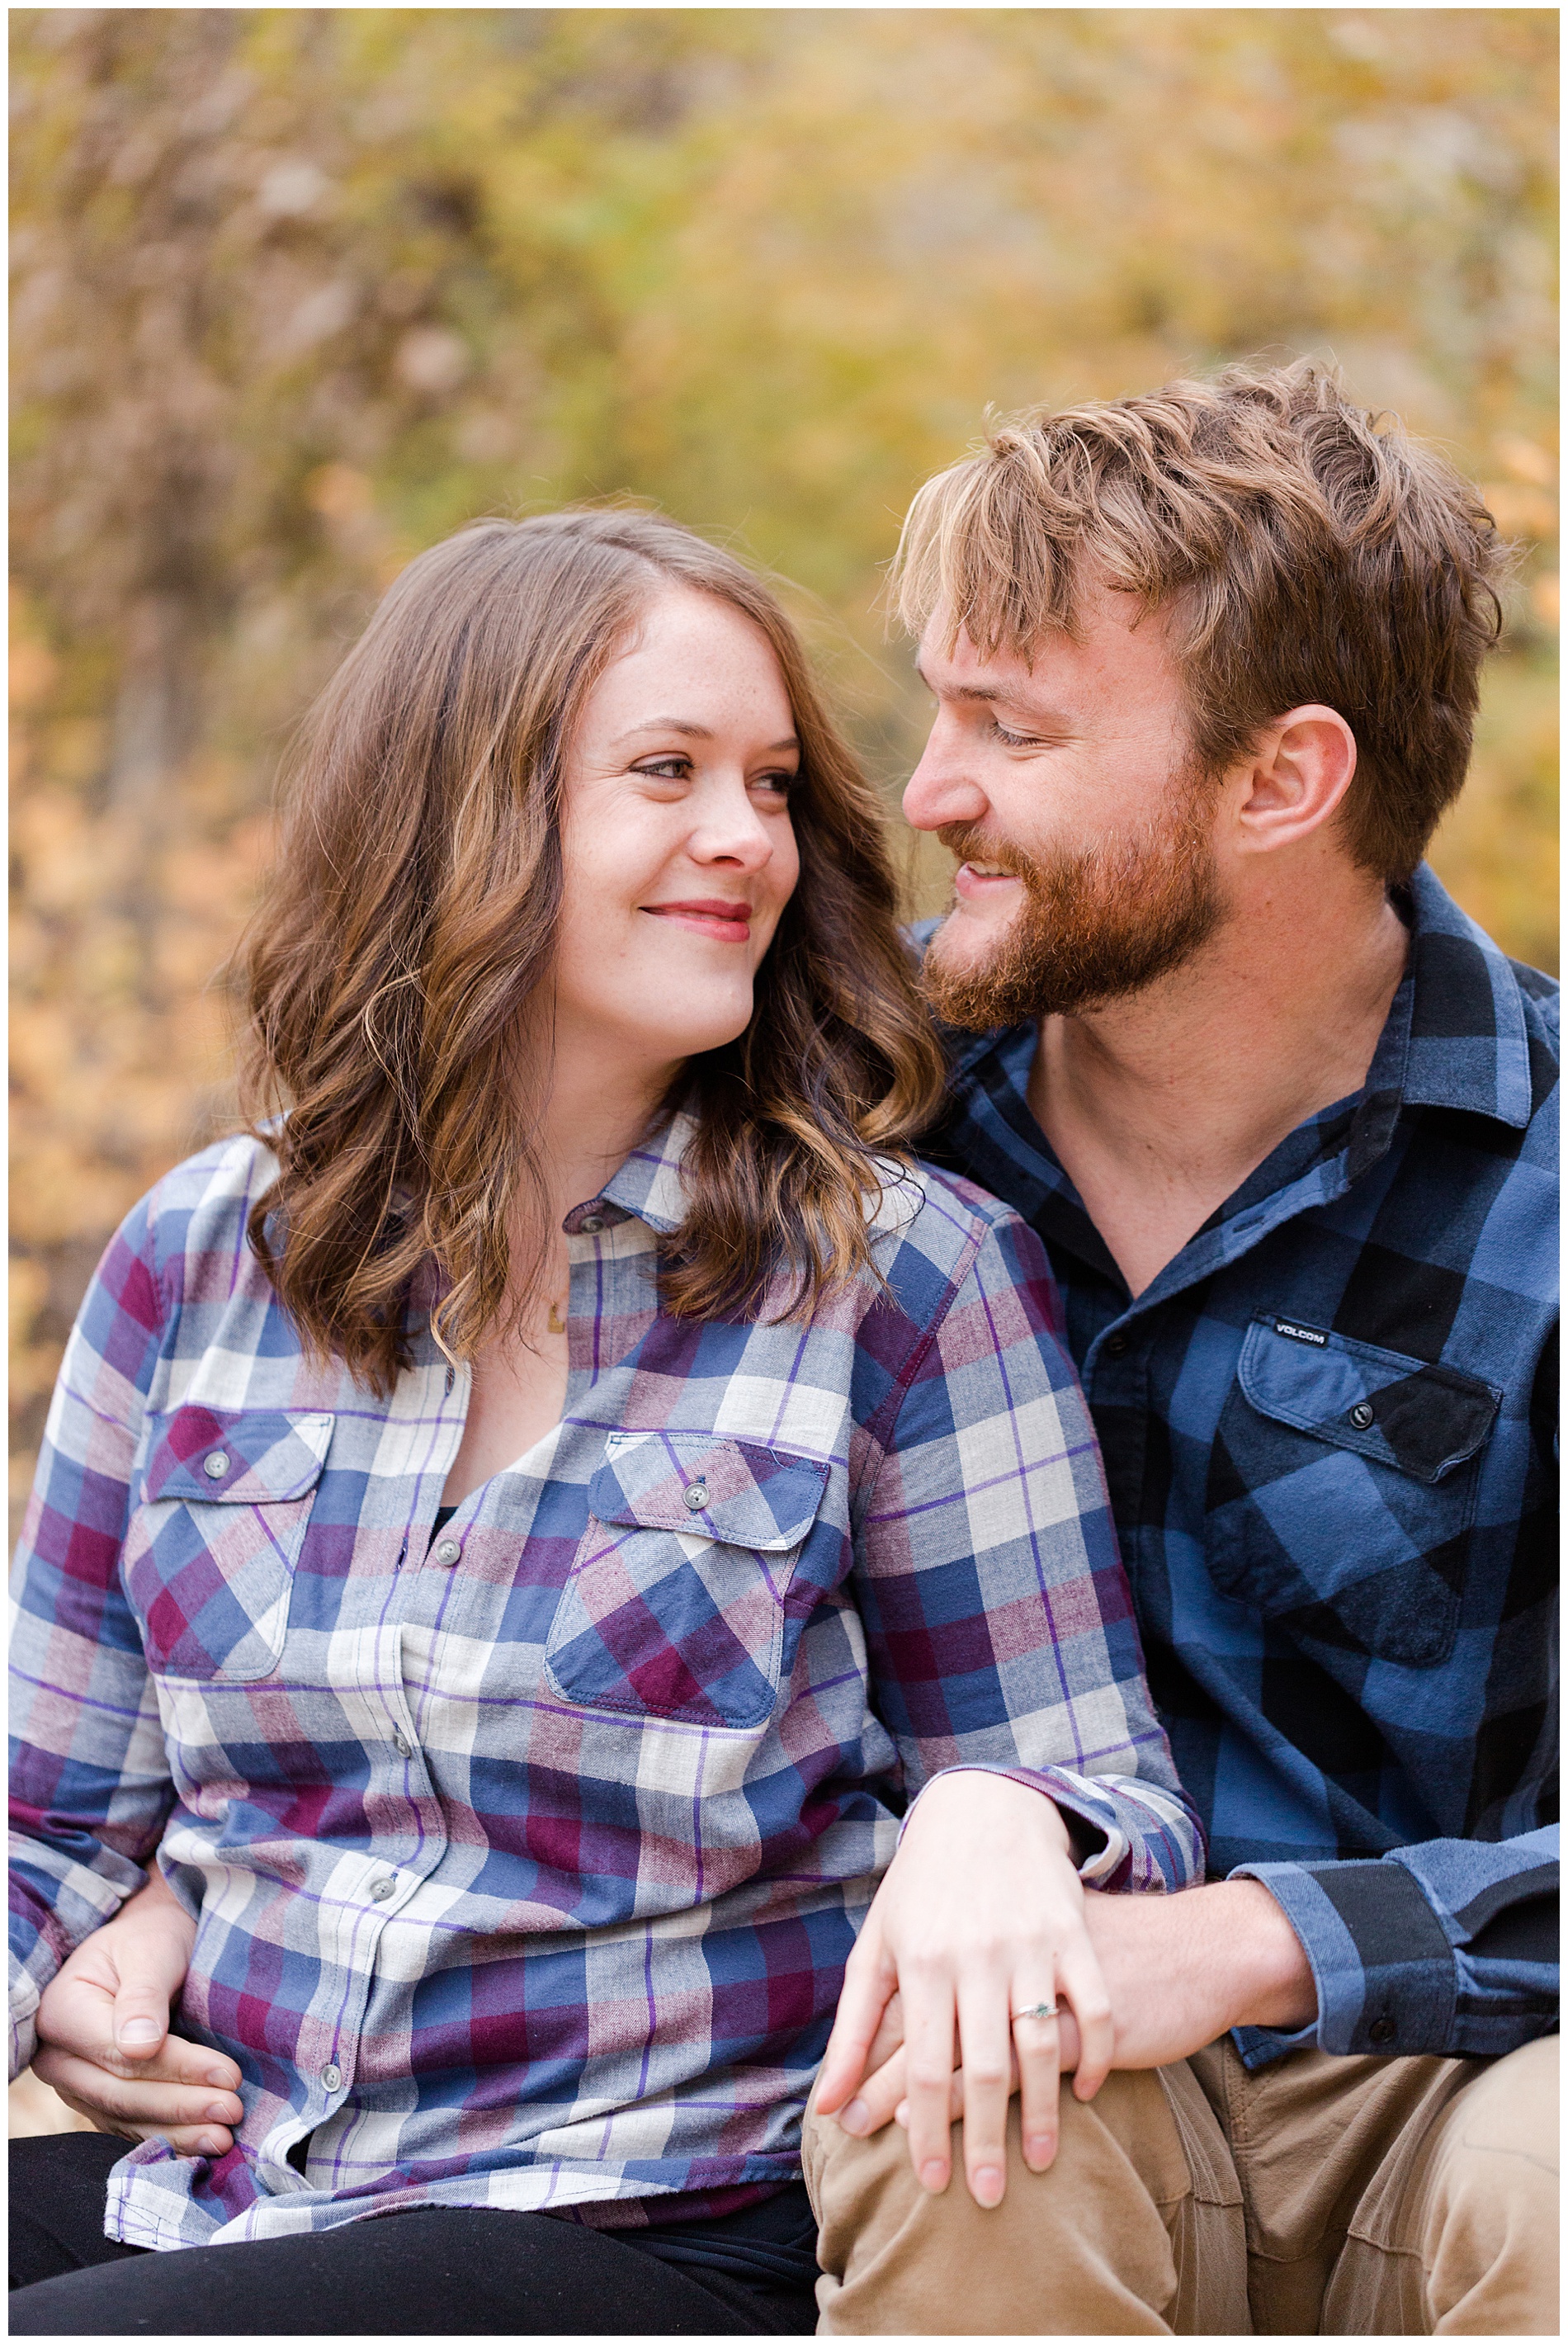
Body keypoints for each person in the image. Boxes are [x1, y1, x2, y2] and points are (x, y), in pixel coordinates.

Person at [7, 508, 1205, 2333]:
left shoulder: (900, 1281)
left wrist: (1004, 1812)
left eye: (773, 783)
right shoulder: (200, 1257)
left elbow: (1111, 1793)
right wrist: (94, 1949)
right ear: (454, 810)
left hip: (658, 2213)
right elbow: (42, 1820)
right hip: (247, 2167)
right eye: (666, 771)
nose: (747, 840)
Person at [801, 363, 1558, 2333]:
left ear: (1274, 782)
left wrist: (1245, 1944)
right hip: (1015, 2077)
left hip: (1464, 2084)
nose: (931, 788)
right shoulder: (835, 1147)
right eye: (938, 705)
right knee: (954, 2113)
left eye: (1011, 726)